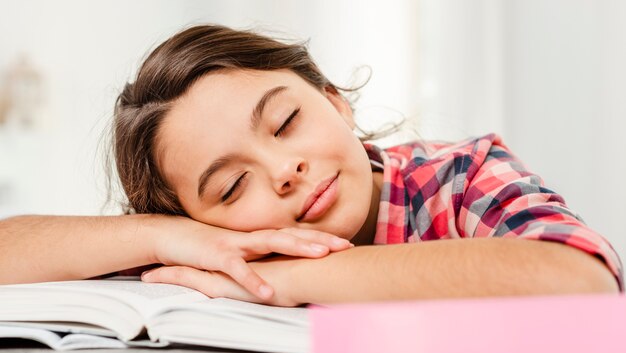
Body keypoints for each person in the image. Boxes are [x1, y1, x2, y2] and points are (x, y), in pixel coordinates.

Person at [0, 24, 622, 307]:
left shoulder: (460, 178)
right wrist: (168, 236)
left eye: (285, 123)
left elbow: (581, 279)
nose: (284, 170)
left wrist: (282, 282)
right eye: (232, 184)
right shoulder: (213, 245)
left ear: (333, 100)